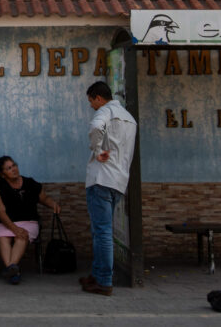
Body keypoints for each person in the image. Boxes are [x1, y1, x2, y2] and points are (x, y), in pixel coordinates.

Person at [80, 81, 137, 296]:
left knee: (102, 232)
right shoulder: (129, 118)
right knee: (100, 231)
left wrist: (97, 150)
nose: (91, 106)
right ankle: (97, 275)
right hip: (119, 181)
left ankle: (104, 281)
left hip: (101, 178)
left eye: (91, 101)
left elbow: (96, 127)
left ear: (98, 98)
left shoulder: (105, 112)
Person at [0, 155, 61, 285]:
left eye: (14, 165)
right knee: (3, 237)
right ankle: (13, 270)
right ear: (2, 174)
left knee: (22, 236)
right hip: (3, 223)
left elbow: (44, 198)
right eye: (8, 168)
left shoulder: (30, 183)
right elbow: (0, 211)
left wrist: (53, 205)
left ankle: (11, 269)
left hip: (28, 221)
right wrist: (14, 228)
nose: (14, 169)